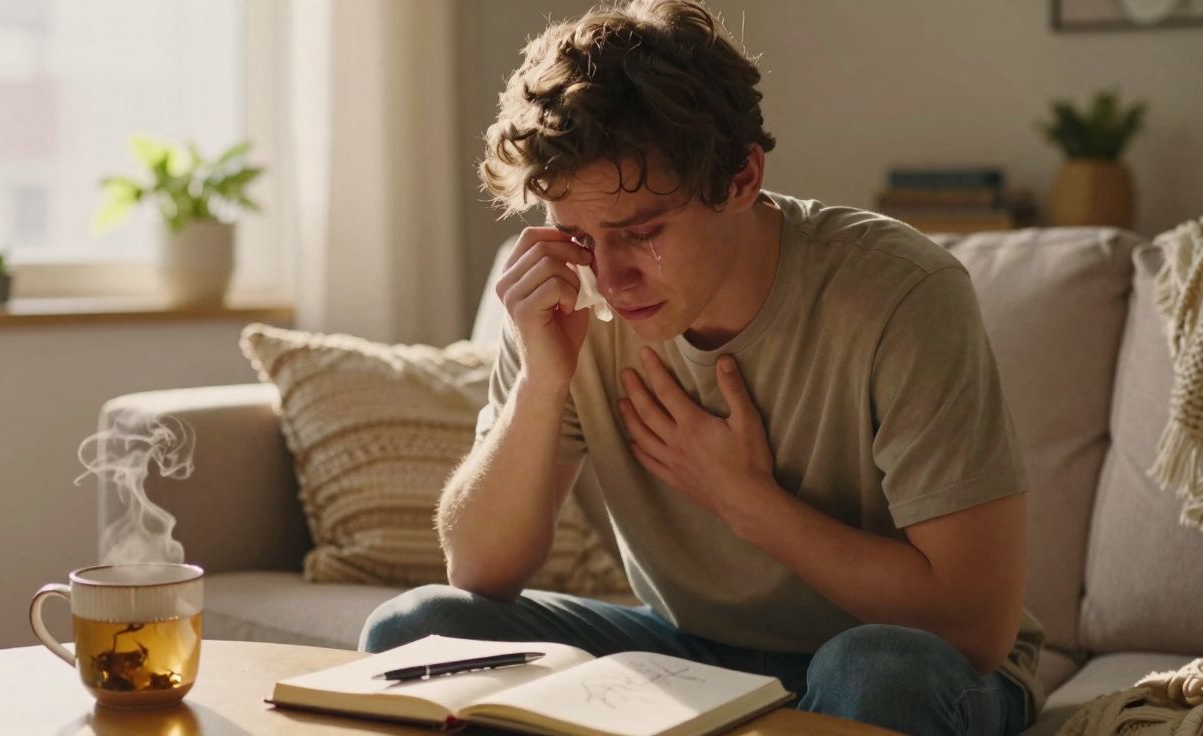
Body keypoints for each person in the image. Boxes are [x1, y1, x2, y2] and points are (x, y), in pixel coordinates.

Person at [359, 1, 1043, 733]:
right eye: (578, 235)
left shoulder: (900, 293)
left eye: (642, 232)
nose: (613, 280)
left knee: (873, 671)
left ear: (742, 178)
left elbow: (975, 625)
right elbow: (479, 573)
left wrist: (749, 504)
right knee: (418, 630)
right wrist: (541, 382)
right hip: (695, 654)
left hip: (919, 665)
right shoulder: (569, 301)